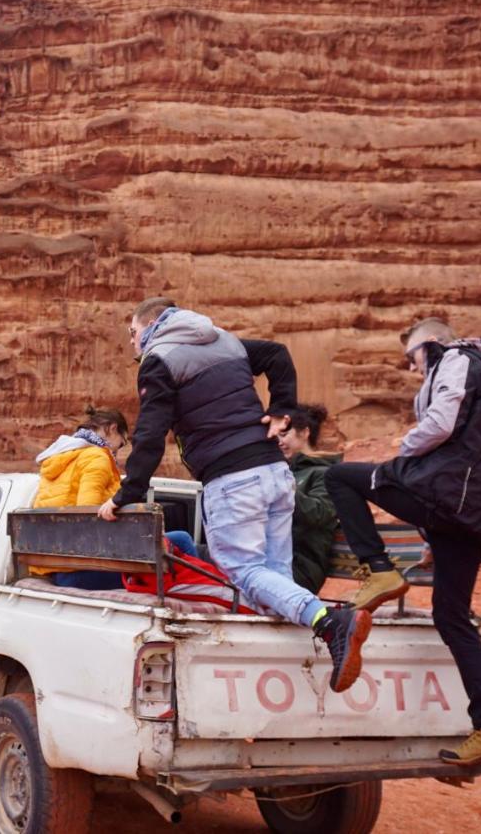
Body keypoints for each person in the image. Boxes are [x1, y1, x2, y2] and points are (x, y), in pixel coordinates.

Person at [97, 297, 371, 695]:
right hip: (275, 475)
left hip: (233, 479)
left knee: (244, 571)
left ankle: (331, 623)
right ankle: (285, 676)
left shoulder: (159, 359)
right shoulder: (224, 341)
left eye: (133, 333)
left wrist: (127, 494)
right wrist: (282, 409)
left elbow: (151, 435)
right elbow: (277, 355)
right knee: (273, 578)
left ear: (152, 324)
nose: (133, 343)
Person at [324, 318, 481, 765]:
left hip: (449, 497)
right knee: (452, 618)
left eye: (413, 358)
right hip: (471, 515)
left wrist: (404, 449)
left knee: (340, 477)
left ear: (428, 344)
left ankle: (380, 570)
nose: (415, 370)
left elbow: (442, 420)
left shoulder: (454, 358)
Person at [29, 406, 130, 589]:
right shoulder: (97, 457)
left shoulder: (62, 456)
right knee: (181, 540)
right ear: (113, 429)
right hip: (80, 570)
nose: (117, 451)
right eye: (121, 444)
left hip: (53, 566)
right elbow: (87, 515)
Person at [275, 403, 341, 593]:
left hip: (301, 568)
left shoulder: (326, 474)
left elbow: (319, 513)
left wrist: (285, 489)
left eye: (284, 434)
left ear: (304, 432)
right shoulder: (286, 472)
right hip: (271, 561)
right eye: (275, 436)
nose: (278, 442)